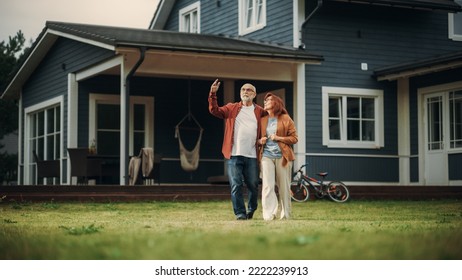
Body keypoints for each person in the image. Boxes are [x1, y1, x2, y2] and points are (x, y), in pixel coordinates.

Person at [208, 79, 265, 220]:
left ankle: (251, 209)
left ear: (254, 94)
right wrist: (213, 94)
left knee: (253, 185)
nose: (245, 92)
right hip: (234, 155)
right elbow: (214, 110)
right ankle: (240, 213)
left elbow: (272, 121)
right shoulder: (231, 108)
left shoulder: (260, 112)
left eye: (248, 90)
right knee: (236, 185)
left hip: (252, 155)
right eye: (243, 90)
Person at [258, 93, 298, 220]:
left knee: (284, 186)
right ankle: (269, 214)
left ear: (276, 103)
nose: (265, 102)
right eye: (265, 100)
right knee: (267, 186)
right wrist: (260, 141)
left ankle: (285, 214)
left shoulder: (286, 118)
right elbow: (256, 139)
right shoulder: (262, 120)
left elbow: (294, 138)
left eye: (268, 100)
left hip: (283, 156)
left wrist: (278, 138)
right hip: (266, 156)